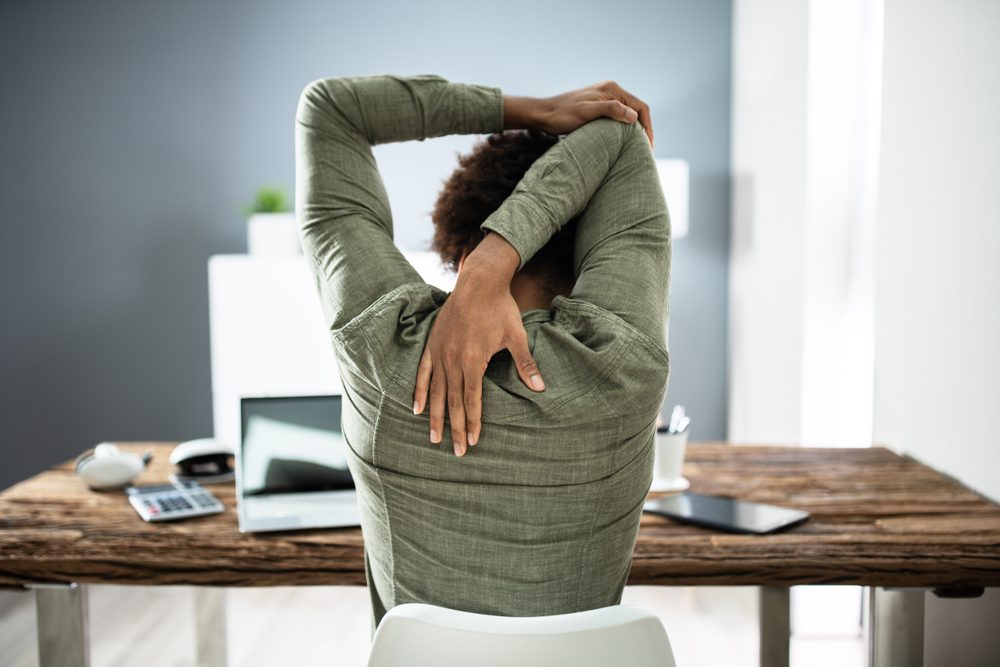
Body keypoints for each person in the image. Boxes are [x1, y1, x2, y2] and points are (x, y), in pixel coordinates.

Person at [295, 74, 671, 631]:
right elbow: (621, 132)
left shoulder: (380, 345)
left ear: (459, 257)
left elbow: (332, 109)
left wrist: (535, 110)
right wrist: (504, 252)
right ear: (592, 249)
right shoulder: (620, 360)